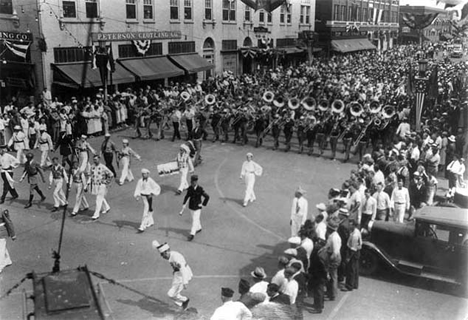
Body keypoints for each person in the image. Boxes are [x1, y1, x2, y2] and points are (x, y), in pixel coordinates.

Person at [152, 240, 192, 310]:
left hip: (182, 276)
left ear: (166, 252)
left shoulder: (176, 257)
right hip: (177, 274)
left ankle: (184, 300)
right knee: (174, 292)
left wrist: (185, 282)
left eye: (162, 254)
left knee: (171, 294)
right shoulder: (170, 255)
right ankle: (181, 302)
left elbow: (183, 269)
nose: (162, 256)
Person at [181, 175, 210, 241]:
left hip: (197, 207)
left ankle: (192, 234)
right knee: (195, 218)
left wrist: (203, 204)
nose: (194, 183)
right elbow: (187, 196)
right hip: (191, 206)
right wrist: (184, 203)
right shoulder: (190, 188)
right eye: (193, 182)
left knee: (195, 220)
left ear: (196, 182)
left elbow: (207, 197)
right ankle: (199, 227)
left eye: (195, 181)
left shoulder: (200, 189)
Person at [87, 155, 114, 220]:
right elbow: (90, 175)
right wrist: (87, 184)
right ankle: (107, 207)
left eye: (96, 159)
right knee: (100, 197)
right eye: (94, 159)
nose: (95, 161)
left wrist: (107, 182)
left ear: (99, 159)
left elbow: (111, 174)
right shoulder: (92, 166)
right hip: (95, 185)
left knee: (98, 199)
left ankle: (96, 214)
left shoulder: (103, 167)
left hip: (102, 185)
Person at [134, 168, 161, 233]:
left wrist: (152, 193)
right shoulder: (140, 181)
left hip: (148, 197)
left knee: (146, 211)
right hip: (143, 197)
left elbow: (157, 187)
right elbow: (138, 188)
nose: (143, 175)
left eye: (145, 174)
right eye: (142, 174)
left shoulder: (150, 180)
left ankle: (142, 226)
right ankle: (151, 221)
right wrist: (137, 195)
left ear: (148, 174)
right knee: (150, 209)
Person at [342, 219, 362, 292]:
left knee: (351, 269)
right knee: (355, 269)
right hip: (357, 252)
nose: (349, 225)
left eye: (351, 224)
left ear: (354, 225)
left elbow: (353, 249)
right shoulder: (356, 231)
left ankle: (349, 286)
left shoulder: (355, 235)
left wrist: (348, 257)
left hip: (353, 252)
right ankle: (355, 284)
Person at [0, 209, 16, 273]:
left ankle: (0, 266)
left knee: (0, 250)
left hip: (1, 233)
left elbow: (8, 222)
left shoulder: (2, 211)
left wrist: (13, 234)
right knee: (2, 248)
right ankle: (8, 260)